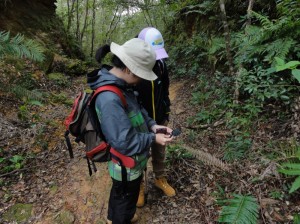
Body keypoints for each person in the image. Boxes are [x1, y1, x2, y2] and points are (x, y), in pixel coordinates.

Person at [90, 38, 174, 224]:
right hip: (125, 165)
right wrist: (154, 138)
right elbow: (124, 142)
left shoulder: (122, 85)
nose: (140, 80)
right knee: (125, 198)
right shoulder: (109, 99)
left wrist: (153, 125)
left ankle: (115, 217)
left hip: (130, 164)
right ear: (128, 68)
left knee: (122, 194)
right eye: (140, 75)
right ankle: (120, 218)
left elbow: (138, 109)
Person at [135, 27, 175, 208]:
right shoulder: (133, 66)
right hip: (139, 121)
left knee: (160, 150)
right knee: (140, 153)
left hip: (159, 117)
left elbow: (165, 90)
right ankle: (139, 185)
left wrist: (165, 112)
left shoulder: (161, 64)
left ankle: (160, 178)